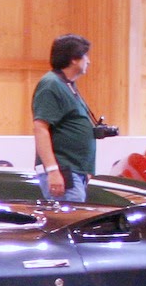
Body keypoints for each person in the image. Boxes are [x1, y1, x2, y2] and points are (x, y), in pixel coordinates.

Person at [31, 34, 98, 202]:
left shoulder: (67, 85)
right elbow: (40, 128)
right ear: (74, 58)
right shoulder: (51, 84)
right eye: (85, 56)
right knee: (68, 224)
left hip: (74, 172)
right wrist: (53, 170)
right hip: (64, 172)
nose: (88, 61)